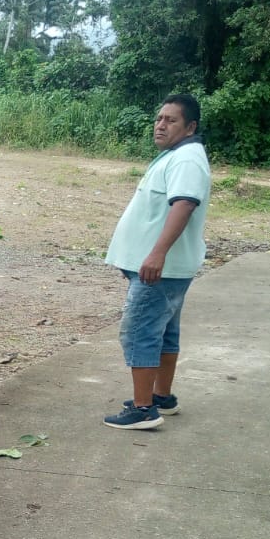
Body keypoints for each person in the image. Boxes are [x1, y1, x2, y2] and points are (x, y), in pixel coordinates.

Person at [102, 93, 210, 430]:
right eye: (159, 118)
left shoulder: (186, 159)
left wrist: (157, 252)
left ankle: (143, 409)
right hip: (165, 268)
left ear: (190, 127)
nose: (160, 125)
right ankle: (162, 396)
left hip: (160, 269)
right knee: (164, 332)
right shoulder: (179, 155)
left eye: (171, 120)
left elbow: (184, 205)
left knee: (140, 333)